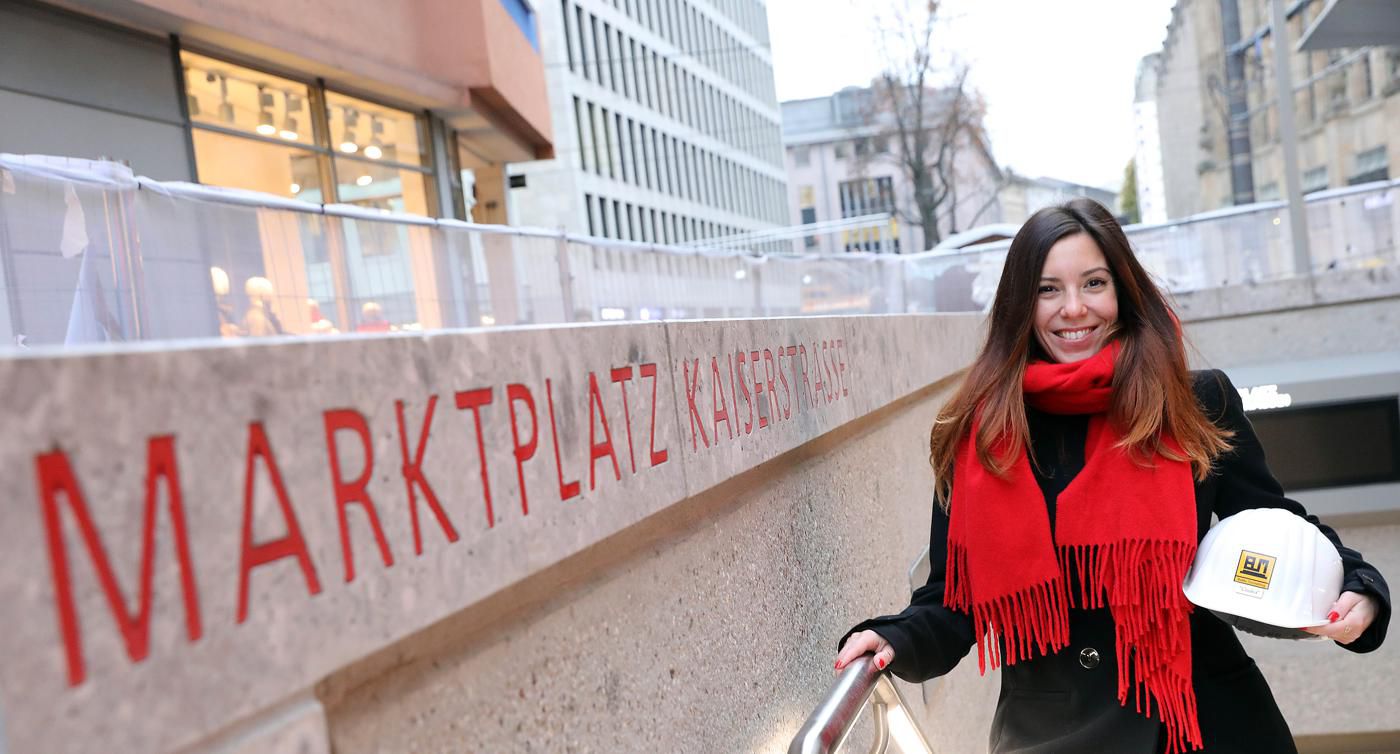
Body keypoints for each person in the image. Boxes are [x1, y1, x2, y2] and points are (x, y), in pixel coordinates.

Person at [833, 198, 1390, 754]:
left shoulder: (1193, 402)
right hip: (1053, 733)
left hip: (1206, 722)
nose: (1073, 308)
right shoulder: (980, 433)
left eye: (1093, 283)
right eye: (1048, 289)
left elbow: (1278, 527)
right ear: (1020, 305)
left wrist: (1359, 590)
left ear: (1122, 291)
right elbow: (953, 603)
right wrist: (894, 639)